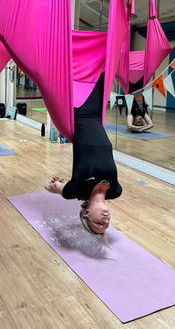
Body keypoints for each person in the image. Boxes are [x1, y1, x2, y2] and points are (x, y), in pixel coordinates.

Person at [45, 73, 122, 237]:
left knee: (69, 70)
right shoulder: (115, 191)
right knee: (98, 67)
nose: (106, 220)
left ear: (86, 213)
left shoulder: (77, 191)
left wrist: (55, 184)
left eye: (98, 223)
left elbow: (52, 187)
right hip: (95, 111)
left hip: (75, 111)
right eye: (106, 224)